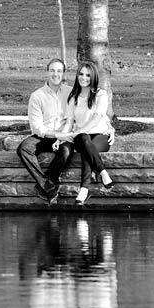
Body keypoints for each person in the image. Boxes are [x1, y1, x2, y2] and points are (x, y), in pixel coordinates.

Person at [17, 58, 74, 205]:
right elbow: (37, 127)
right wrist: (56, 135)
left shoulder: (70, 93)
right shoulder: (37, 96)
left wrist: (61, 138)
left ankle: (45, 186)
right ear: (47, 72)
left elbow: (73, 119)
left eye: (59, 71)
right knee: (24, 148)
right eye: (53, 70)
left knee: (66, 152)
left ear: (64, 74)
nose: (56, 74)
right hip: (44, 136)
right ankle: (48, 186)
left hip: (65, 135)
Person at [63, 60, 115, 206]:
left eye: (87, 75)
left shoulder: (100, 94)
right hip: (81, 137)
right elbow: (69, 122)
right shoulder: (73, 98)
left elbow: (98, 117)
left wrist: (81, 130)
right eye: (81, 74)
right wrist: (60, 137)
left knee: (88, 148)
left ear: (93, 77)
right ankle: (102, 172)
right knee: (85, 140)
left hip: (100, 136)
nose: (83, 78)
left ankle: (84, 189)